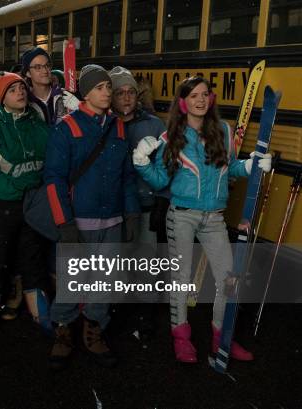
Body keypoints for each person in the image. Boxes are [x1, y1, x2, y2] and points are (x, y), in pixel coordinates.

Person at [133, 76, 271, 363]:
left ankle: (222, 338)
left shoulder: (222, 129)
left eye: (205, 94)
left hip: (214, 218)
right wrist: (142, 162)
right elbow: (160, 181)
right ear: (183, 102)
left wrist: (251, 165)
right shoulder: (172, 136)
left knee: (228, 279)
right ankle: (181, 340)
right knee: (182, 280)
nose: (201, 100)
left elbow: (230, 168)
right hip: (182, 216)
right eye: (194, 95)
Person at [45, 65, 140, 370]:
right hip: (79, 221)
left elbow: (126, 177)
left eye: (108, 87)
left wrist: (132, 213)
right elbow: (54, 179)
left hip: (112, 220)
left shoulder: (118, 127)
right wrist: (64, 222)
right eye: (100, 87)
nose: (107, 93)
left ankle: (94, 330)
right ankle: (62, 330)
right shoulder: (67, 128)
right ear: (85, 93)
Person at [0, 72, 52, 342]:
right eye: (12, 89)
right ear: (2, 96)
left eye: (21, 87)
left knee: (32, 259)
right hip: (1, 203)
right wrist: (20, 171)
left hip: (30, 203)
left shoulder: (36, 120)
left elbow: (44, 156)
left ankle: (42, 316)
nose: (20, 92)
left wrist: (16, 169)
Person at [110, 66, 167, 341]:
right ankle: (114, 308)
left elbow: (167, 166)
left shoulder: (154, 125)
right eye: (120, 92)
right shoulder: (105, 124)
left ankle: (145, 309)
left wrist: (162, 201)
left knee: (146, 259)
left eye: (131, 91)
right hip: (114, 207)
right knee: (116, 260)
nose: (126, 97)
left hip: (146, 203)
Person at [20, 47, 79, 126]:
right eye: (38, 67)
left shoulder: (66, 96)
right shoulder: (24, 102)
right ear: (28, 73)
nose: (45, 71)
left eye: (47, 65)